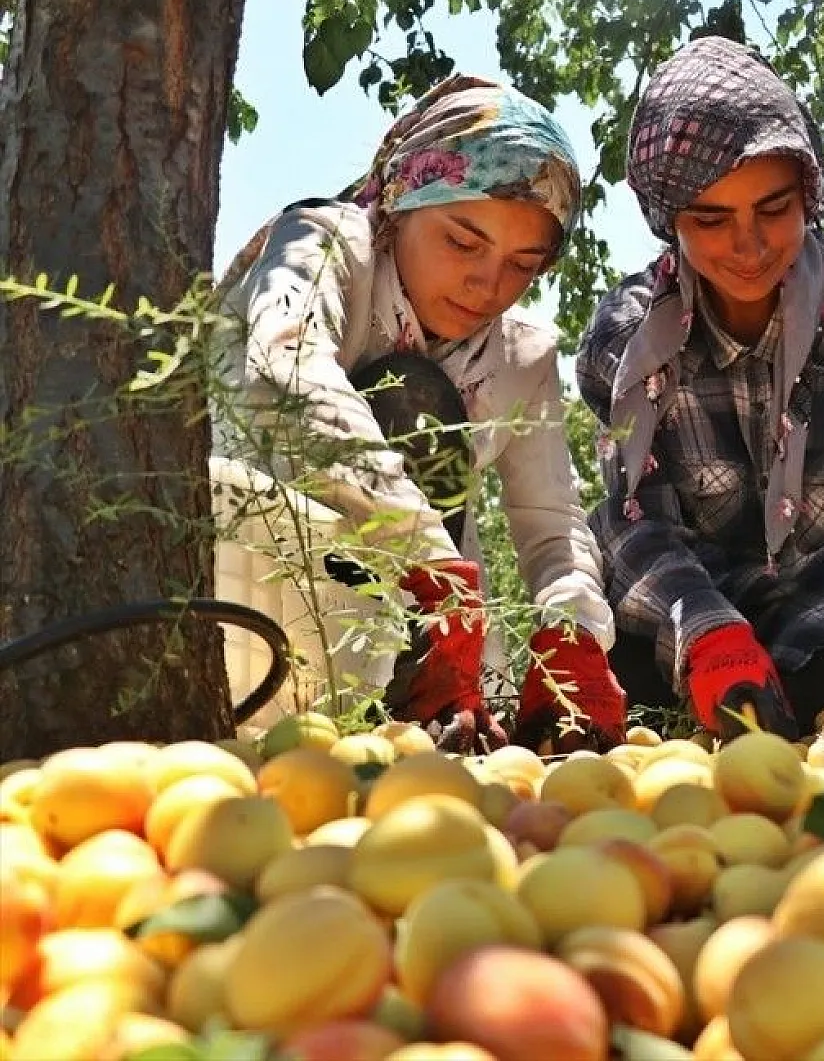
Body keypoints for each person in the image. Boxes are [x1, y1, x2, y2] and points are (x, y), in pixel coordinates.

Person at [577, 37, 824, 743]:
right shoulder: (625, 340)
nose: (750, 245)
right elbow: (633, 519)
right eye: (711, 220)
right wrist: (707, 633)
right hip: (682, 613)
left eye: (774, 208)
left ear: (809, 194)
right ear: (669, 219)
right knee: (621, 708)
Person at [216, 75, 624, 754]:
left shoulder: (521, 357)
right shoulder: (321, 247)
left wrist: (573, 632)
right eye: (463, 243)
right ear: (402, 202)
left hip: (427, 633)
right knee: (409, 393)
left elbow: (553, 527)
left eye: (523, 264)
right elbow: (283, 370)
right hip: (260, 580)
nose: (488, 284)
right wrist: (427, 558)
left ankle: (425, 701)